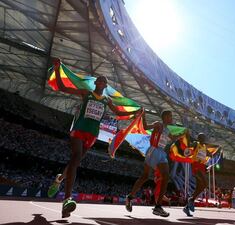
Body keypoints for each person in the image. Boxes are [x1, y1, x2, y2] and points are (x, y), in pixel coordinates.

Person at [47, 58, 140, 218]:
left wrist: (133, 114)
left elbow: (118, 113)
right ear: (96, 83)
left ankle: (60, 178)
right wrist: (57, 68)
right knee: (75, 158)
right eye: (100, 80)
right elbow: (62, 87)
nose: (103, 82)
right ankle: (67, 199)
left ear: (106, 86)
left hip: (92, 134)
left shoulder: (106, 100)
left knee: (75, 162)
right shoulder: (86, 93)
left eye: (105, 82)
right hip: (79, 129)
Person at [125, 110, 181, 217]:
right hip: (153, 151)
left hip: (161, 152)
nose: (172, 118)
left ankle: (156, 206)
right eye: (170, 116)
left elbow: (173, 138)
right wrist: (144, 116)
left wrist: (182, 134)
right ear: (164, 117)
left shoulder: (168, 129)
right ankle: (132, 197)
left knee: (163, 177)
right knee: (146, 176)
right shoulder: (158, 124)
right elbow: (145, 127)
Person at [183, 133, 215, 216]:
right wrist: (186, 137)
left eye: (204, 138)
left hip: (202, 166)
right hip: (196, 165)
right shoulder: (195, 144)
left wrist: (211, 156)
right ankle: (191, 199)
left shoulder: (204, 147)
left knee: (201, 186)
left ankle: (188, 206)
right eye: (201, 137)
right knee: (204, 183)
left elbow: (210, 154)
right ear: (198, 138)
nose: (203, 139)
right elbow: (188, 146)